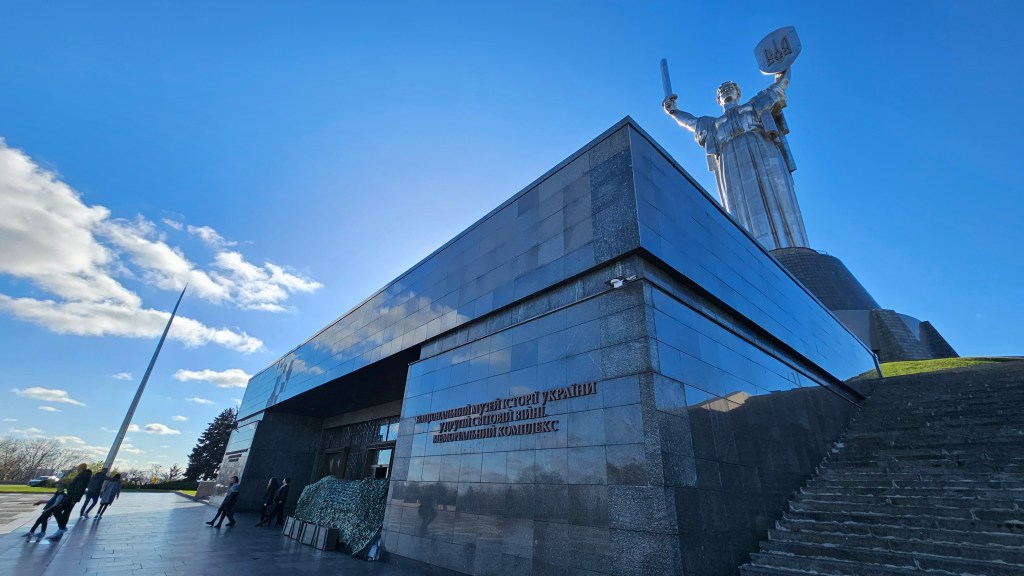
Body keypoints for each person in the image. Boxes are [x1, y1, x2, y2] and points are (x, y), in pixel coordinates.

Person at [663, 68, 809, 251]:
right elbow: (690, 122)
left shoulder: (754, 105)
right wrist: (673, 112)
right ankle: (751, 251)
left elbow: (779, 87)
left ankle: (788, 245)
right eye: (722, 91)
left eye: (729, 88)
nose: (726, 91)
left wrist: (781, 67)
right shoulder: (712, 124)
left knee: (774, 193)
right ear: (718, 100)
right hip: (730, 161)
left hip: (761, 149)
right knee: (738, 204)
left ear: (738, 93)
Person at [48, 463, 91, 539]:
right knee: (65, 513)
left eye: (78, 468)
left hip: (71, 497)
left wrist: (74, 498)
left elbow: (78, 489)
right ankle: (61, 528)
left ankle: (62, 528)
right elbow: (75, 487)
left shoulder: (83, 476)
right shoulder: (83, 476)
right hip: (71, 497)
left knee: (58, 510)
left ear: (81, 468)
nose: (77, 469)